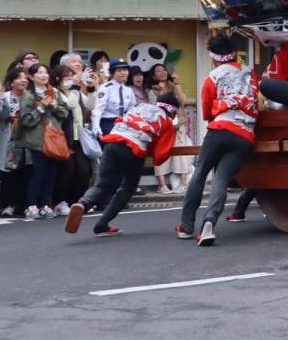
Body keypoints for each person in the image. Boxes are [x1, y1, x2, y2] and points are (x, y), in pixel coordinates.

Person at [178, 36, 259, 246]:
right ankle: (209, 223)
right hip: (245, 134)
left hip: (221, 129)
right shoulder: (249, 71)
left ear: (213, 57)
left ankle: (186, 226)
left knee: (200, 173)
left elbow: (206, 111)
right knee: (221, 180)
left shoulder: (213, 76)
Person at [65, 93, 180, 238]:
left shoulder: (138, 106)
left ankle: (83, 204)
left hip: (113, 141)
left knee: (103, 184)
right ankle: (102, 224)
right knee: (128, 187)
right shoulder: (166, 121)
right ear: (172, 110)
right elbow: (161, 153)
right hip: (134, 148)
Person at [15, 63, 69, 220]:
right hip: (36, 139)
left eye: (46, 72)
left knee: (51, 173)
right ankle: (32, 205)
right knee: (39, 172)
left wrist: (55, 106)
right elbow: (25, 120)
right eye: (39, 73)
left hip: (53, 137)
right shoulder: (28, 95)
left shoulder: (53, 92)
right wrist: (41, 107)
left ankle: (45, 204)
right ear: (31, 77)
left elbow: (64, 113)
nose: (44, 75)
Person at [50, 65, 93, 218]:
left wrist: (92, 89)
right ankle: (59, 202)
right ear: (57, 78)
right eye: (66, 76)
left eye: (71, 75)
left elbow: (91, 105)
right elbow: (70, 105)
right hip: (62, 136)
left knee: (84, 170)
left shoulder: (77, 92)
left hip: (79, 137)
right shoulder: (54, 92)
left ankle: (78, 202)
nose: (69, 79)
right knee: (66, 171)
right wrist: (75, 86)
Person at [147, 64, 191, 193]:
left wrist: (176, 82)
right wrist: (161, 92)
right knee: (161, 151)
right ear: (154, 76)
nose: (162, 72)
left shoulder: (173, 86)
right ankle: (162, 184)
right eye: (158, 71)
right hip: (162, 124)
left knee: (180, 151)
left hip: (179, 121)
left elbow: (182, 100)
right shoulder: (152, 90)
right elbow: (154, 108)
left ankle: (183, 182)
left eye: (164, 70)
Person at [0, 68, 28, 217]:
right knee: (8, 173)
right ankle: (7, 204)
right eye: (19, 78)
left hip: (26, 139)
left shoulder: (30, 97)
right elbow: (0, 115)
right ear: (12, 81)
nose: (23, 80)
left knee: (24, 173)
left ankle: (22, 204)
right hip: (8, 138)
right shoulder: (4, 96)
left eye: (25, 78)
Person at [92, 59, 136, 137]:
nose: (123, 73)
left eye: (125, 70)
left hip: (123, 123)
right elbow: (98, 110)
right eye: (119, 71)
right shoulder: (105, 88)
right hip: (108, 122)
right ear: (112, 73)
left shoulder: (128, 89)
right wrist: (96, 126)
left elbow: (132, 108)